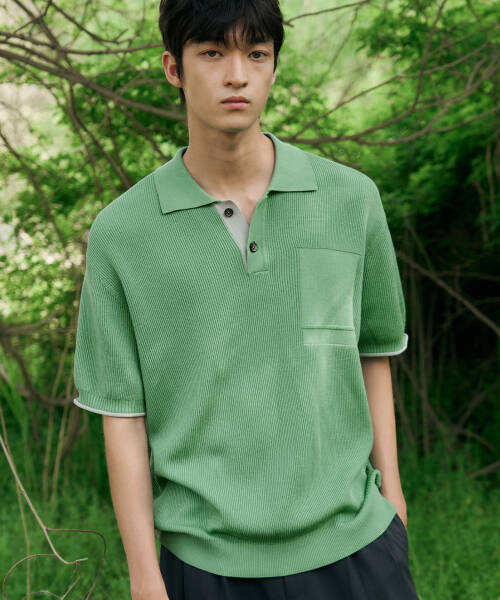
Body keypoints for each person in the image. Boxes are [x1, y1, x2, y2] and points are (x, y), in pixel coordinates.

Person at [72, 0, 420, 598]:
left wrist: (393, 495)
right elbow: (122, 415)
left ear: (274, 66)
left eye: (256, 54)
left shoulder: (350, 199)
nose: (237, 75)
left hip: (357, 547)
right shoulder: (123, 232)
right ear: (173, 68)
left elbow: (373, 352)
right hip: (204, 565)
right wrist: (143, 575)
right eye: (213, 53)